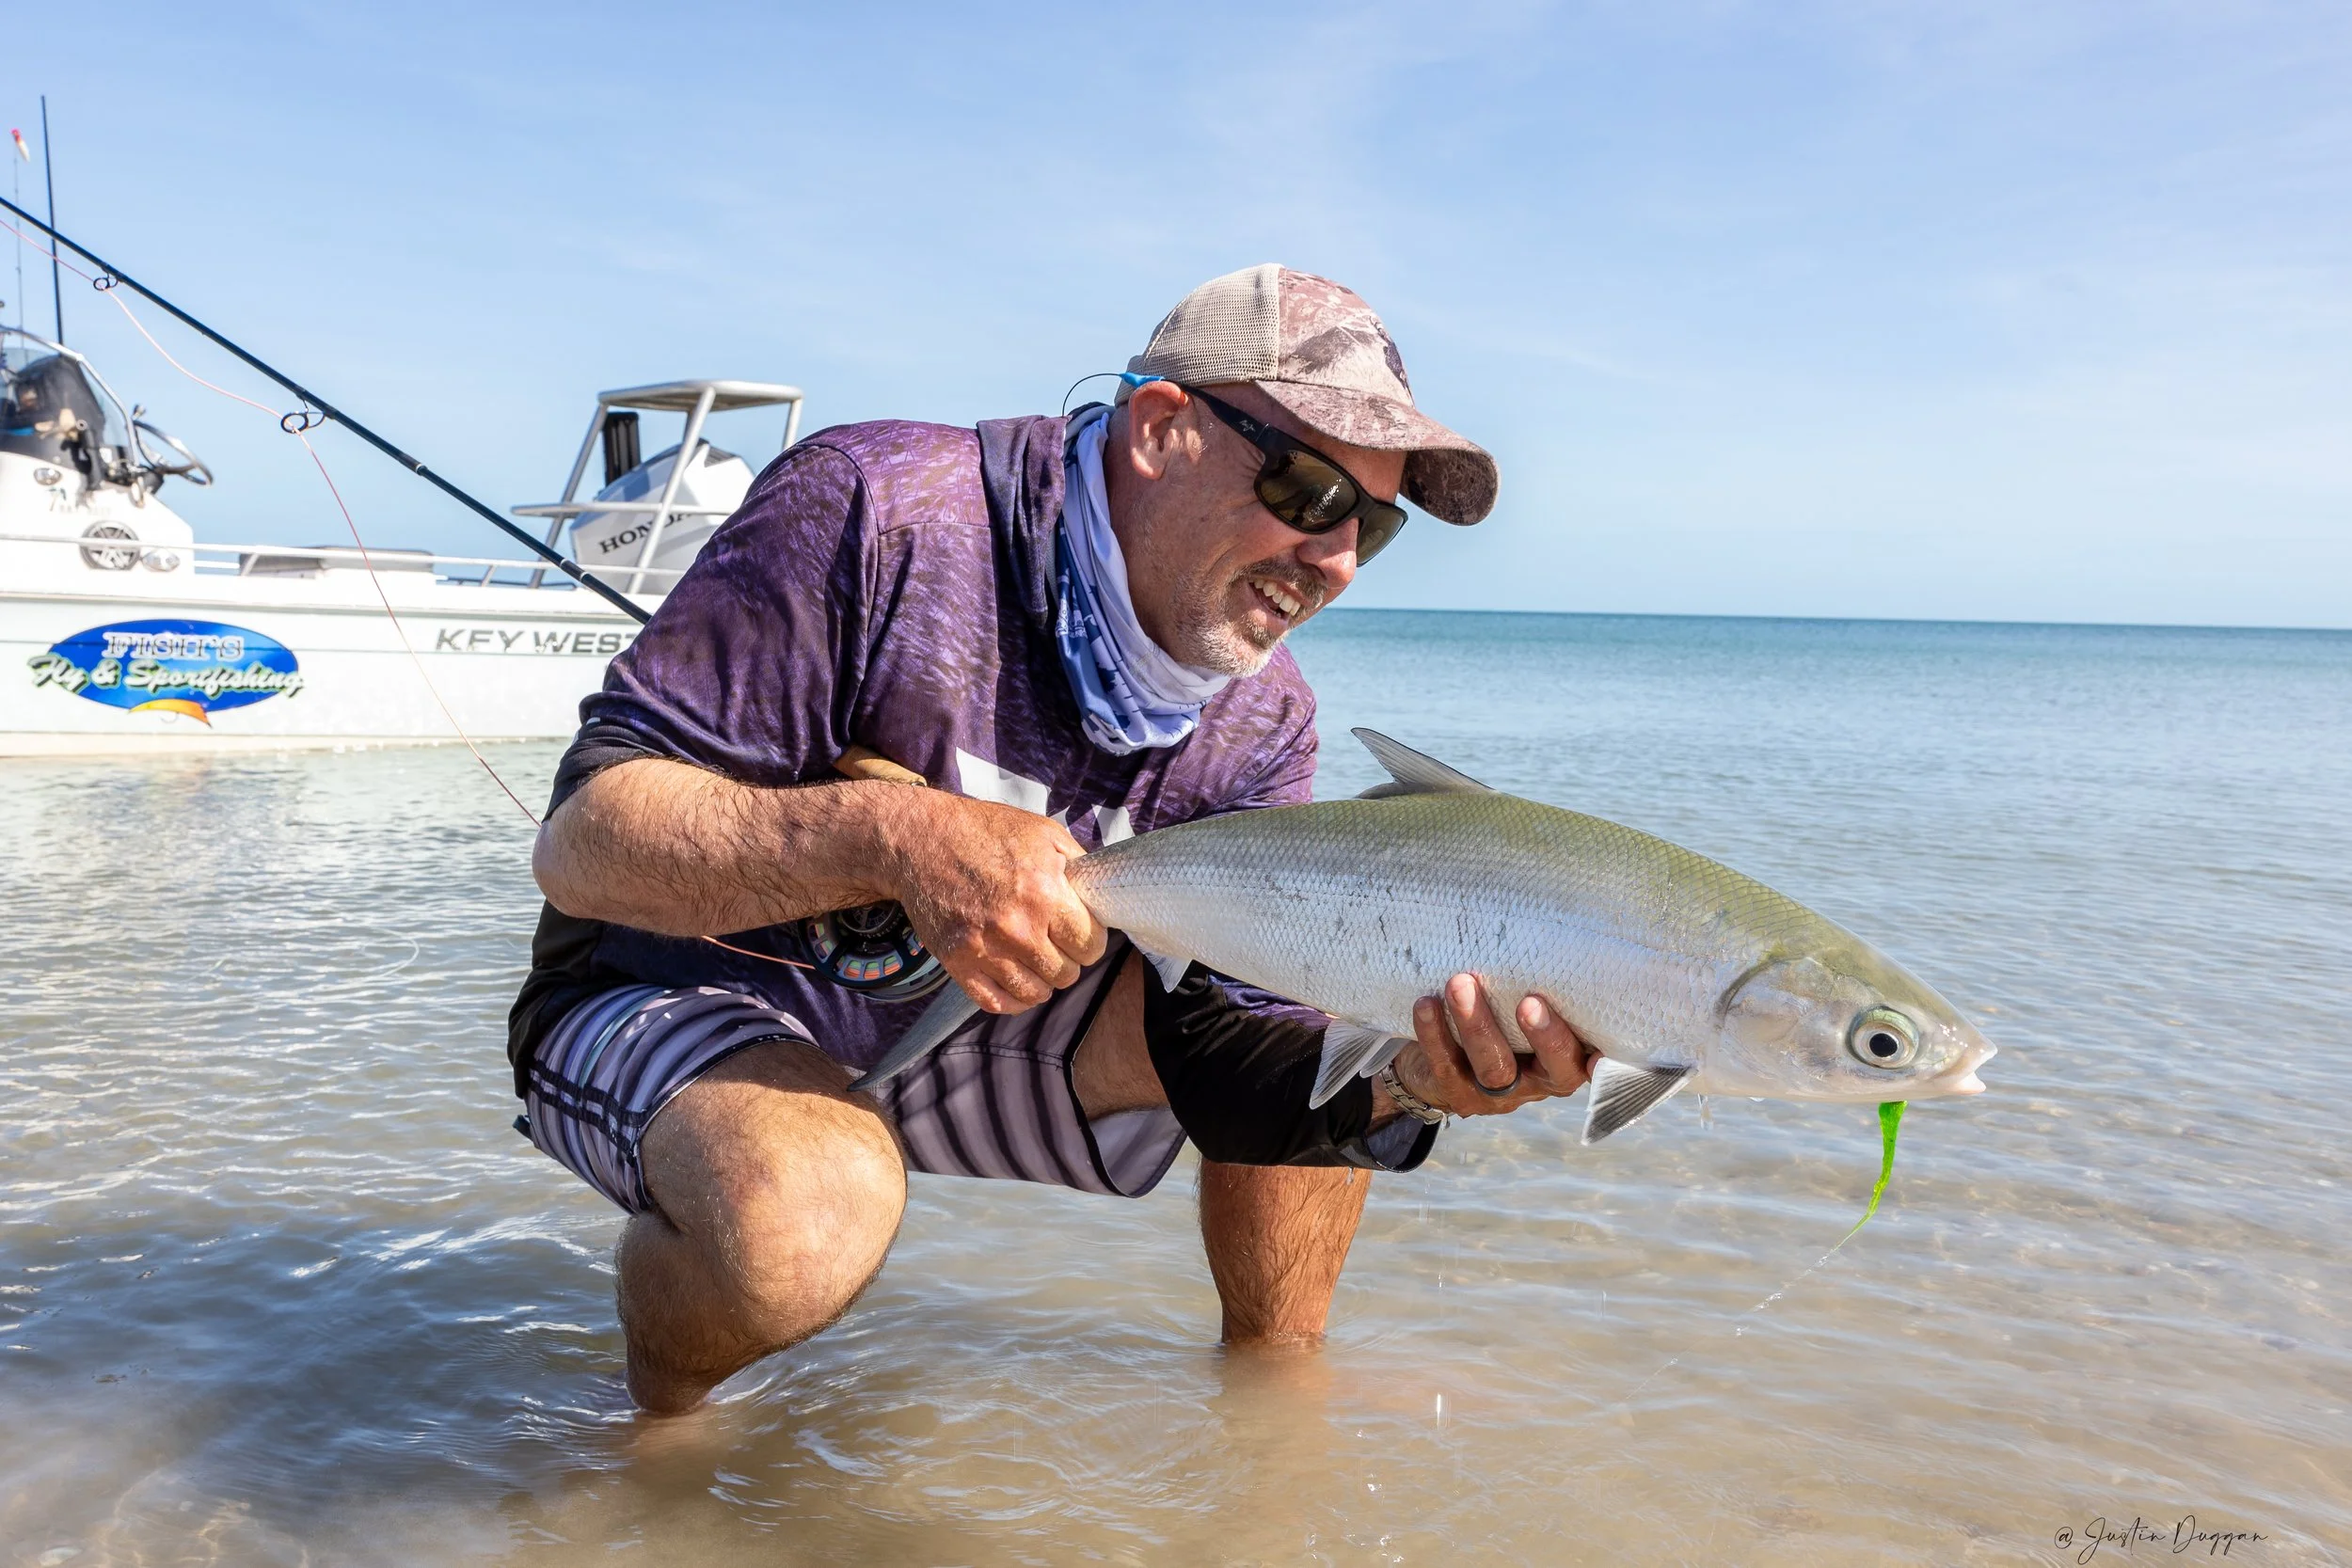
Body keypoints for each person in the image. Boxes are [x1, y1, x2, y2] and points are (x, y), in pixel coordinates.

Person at [512, 264, 1597, 1415]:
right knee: (808, 1214)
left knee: (1333, 998)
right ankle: (652, 1437)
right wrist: (897, 833)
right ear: (1162, 429)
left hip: (975, 1029)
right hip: (679, 987)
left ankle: (1273, 1401)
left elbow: (1233, 1055)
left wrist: (1415, 1082)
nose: (1332, 558)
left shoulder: (1265, 717)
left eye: (1369, 528)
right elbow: (583, 847)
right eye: (1310, 489)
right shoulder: (879, 506)